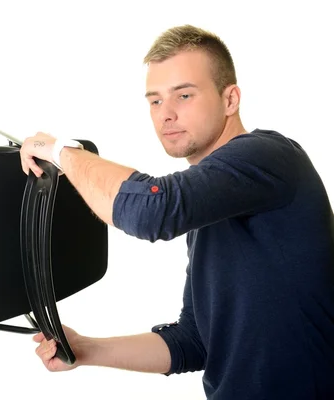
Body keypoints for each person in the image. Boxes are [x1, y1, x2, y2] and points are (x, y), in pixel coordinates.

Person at [18, 24, 334, 400]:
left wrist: (61, 151)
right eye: (155, 100)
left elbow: (151, 209)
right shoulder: (208, 206)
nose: (165, 114)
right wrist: (85, 349)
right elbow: (195, 340)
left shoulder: (269, 156)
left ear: (230, 99)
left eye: (183, 95)